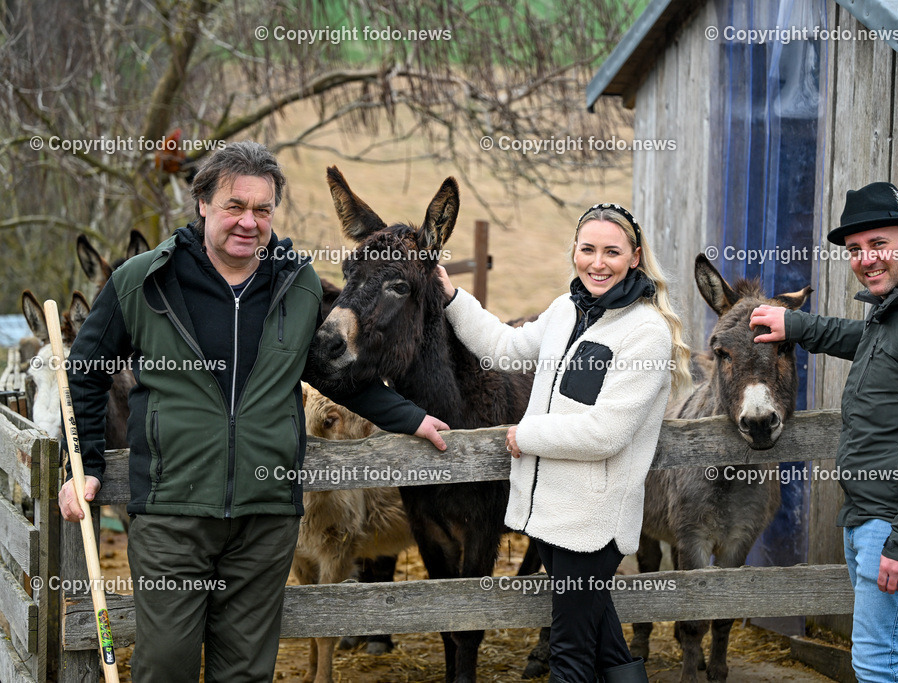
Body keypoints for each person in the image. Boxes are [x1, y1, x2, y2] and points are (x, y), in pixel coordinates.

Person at [57, 141, 449, 682]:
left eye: (262, 209)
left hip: (264, 519)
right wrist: (86, 466)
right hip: (173, 514)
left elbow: (333, 375)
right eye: (234, 206)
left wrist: (411, 417)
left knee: (244, 671)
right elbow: (85, 369)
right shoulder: (143, 281)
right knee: (166, 664)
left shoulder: (297, 285)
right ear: (203, 205)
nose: (249, 222)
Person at [436, 203, 692, 683]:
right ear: (574, 251)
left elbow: (606, 432)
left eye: (612, 252)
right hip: (551, 514)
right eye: (588, 249)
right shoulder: (565, 310)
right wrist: (451, 296)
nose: (598, 262)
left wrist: (526, 434)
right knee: (604, 637)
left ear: (634, 258)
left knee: (571, 655)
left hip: (591, 521)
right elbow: (503, 348)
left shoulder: (646, 333)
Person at [749, 182, 898, 682]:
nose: (866, 259)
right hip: (871, 515)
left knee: (876, 661)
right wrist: (798, 326)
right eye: (855, 250)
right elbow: (866, 340)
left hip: (895, 520)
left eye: (879, 244)